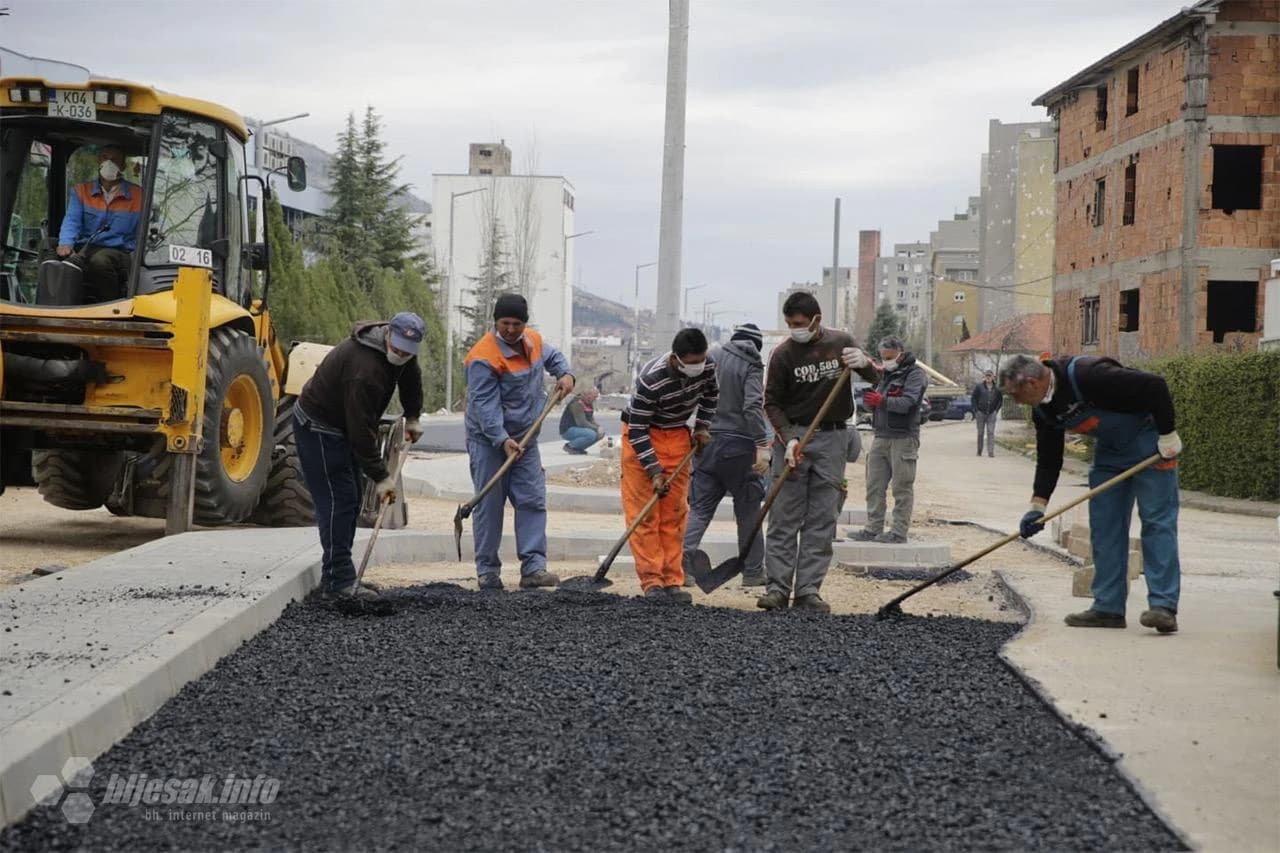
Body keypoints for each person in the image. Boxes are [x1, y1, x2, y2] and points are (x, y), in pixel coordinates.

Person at [1000, 354, 1183, 633]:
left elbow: (1155, 386)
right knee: (1105, 527)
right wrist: (1037, 506)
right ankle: (1108, 608)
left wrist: (1168, 435)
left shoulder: (1089, 375)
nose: (1016, 400)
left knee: (1157, 523)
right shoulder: (1043, 411)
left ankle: (1163, 606)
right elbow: (1049, 459)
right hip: (1110, 454)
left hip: (1151, 445)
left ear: (1032, 382)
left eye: (1015, 393)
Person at [294, 312, 426, 600]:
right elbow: (360, 430)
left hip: (343, 426)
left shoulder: (402, 353)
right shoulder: (363, 368)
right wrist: (380, 476)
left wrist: (413, 416)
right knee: (339, 501)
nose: (402, 354)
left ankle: (339, 574)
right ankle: (337, 582)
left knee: (350, 498)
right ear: (388, 333)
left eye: (408, 351)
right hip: (319, 427)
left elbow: (411, 379)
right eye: (399, 347)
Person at [758, 293, 877, 613]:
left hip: (833, 439)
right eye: (789, 324)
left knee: (823, 518)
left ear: (816, 320)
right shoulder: (782, 355)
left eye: (798, 324)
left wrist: (865, 364)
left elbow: (875, 377)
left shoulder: (841, 343)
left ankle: (808, 591)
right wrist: (789, 439)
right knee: (784, 517)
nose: (794, 329)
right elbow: (770, 402)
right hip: (794, 438)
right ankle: (778, 589)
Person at [465, 293, 574, 591]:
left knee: (532, 499)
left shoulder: (534, 341)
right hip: (490, 441)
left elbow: (553, 358)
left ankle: (534, 568)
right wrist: (502, 440)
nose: (510, 329)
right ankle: (487, 572)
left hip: (527, 438)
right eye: (504, 323)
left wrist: (566, 374)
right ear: (496, 321)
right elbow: (486, 408)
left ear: (525, 324)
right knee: (489, 504)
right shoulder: (482, 357)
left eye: (516, 323)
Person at [621, 328, 718, 603]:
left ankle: (672, 580)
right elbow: (637, 429)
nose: (698, 368)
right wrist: (653, 470)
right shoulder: (652, 380)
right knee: (646, 513)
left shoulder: (707, 366)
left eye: (701, 361)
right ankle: (652, 581)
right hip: (643, 435)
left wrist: (701, 427)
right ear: (676, 359)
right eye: (692, 363)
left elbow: (711, 395)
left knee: (675, 513)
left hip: (677, 435)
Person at [682, 323, 771, 588]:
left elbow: (692, 397)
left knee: (699, 509)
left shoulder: (710, 357)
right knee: (748, 511)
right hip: (739, 447)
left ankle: (680, 566)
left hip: (706, 442)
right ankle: (754, 571)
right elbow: (753, 406)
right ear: (757, 346)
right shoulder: (752, 364)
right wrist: (762, 443)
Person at [850, 335, 928, 544]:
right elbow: (878, 401)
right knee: (874, 485)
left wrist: (882, 401)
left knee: (901, 488)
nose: (885, 361)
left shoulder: (915, 375)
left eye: (889, 357)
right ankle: (873, 528)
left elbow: (908, 402)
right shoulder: (885, 375)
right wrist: (870, 403)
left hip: (904, 438)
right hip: (881, 435)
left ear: (900, 354)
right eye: (883, 357)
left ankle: (899, 532)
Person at [57, 145, 142, 303]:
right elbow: (72, 219)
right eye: (105, 158)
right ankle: (52, 301)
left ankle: (110, 304)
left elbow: (142, 232)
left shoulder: (139, 196)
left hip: (119, 251)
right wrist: (66, 243)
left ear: (123, 165)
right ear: (98, 161)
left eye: (114, 159)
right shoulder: (81, 191)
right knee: (48, 246)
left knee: (100, 260)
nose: (109, 163)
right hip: (86, 247)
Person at [559, 387, 604, 455]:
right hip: (568, 429)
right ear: (588, 395)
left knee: (600, 434)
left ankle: (578, 448)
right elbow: (582, 423)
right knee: (591, 434)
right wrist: (596, 428)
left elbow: (590, 419)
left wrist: (599, 427)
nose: (595, 399)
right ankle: (570, 446)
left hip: (579, 429)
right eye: (594, 397)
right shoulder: (577, 404)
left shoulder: (589, 404)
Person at [971, 369, 1003, 457]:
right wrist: (976, 410)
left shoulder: (997, 389)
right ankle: (979, 450)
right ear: (985, 377)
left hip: (992, 413)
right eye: (987, 376)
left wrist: (996, 410)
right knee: (980, 432)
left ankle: (990, 451)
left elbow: (1000, 400)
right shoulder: (979, 387)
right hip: (980, 413)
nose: (988, 378)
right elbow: (973, 398)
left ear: (993, 377)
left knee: (990, 432)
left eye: (990, 376)